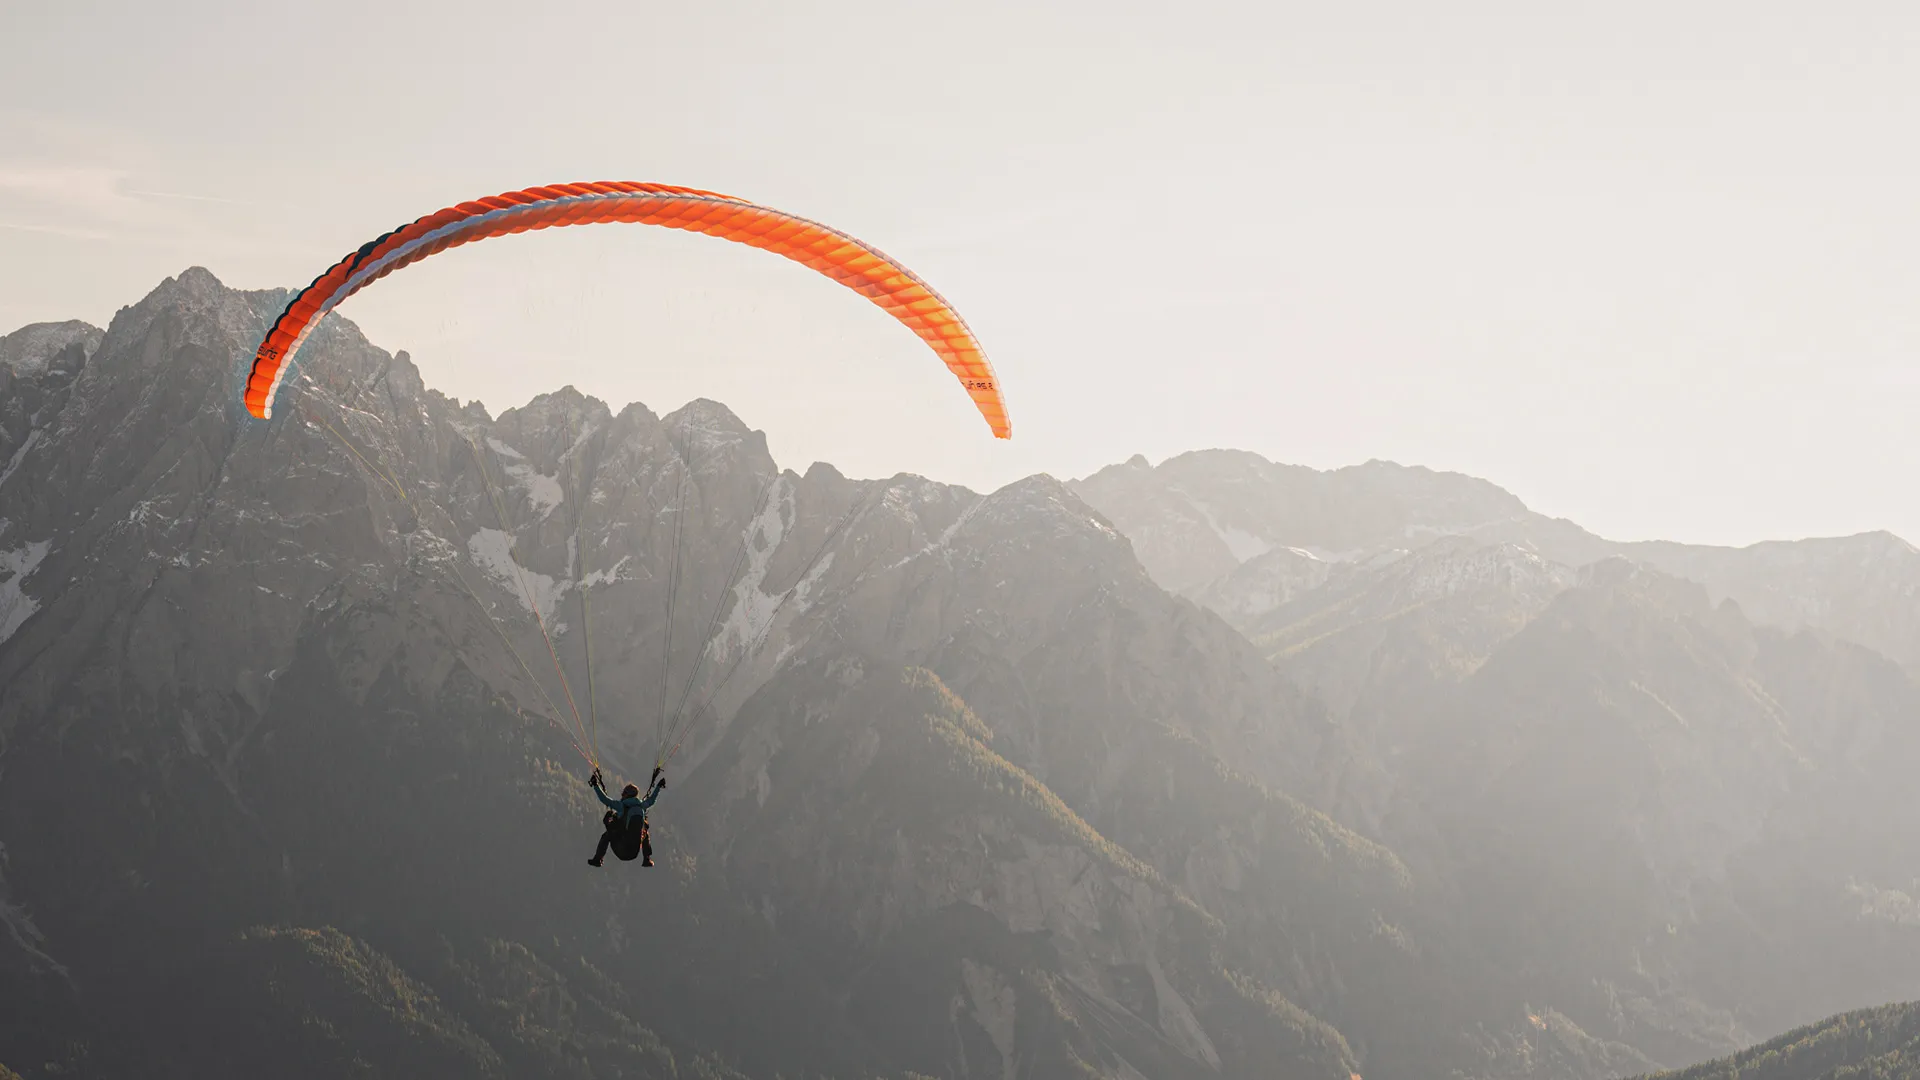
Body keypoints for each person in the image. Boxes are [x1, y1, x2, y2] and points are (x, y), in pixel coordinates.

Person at [587, 766, 665, 868]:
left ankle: (598, 859)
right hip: (634, 852)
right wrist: (658, 786)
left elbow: (605, 799)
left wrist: (595, 785)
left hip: (621, 850)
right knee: (644, 831)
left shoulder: (621, 806)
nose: (622, 795)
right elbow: (652, 799)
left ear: (627, 795)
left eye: (623, 793)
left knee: (607, 835)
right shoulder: (642, 806)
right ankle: (647, 859)